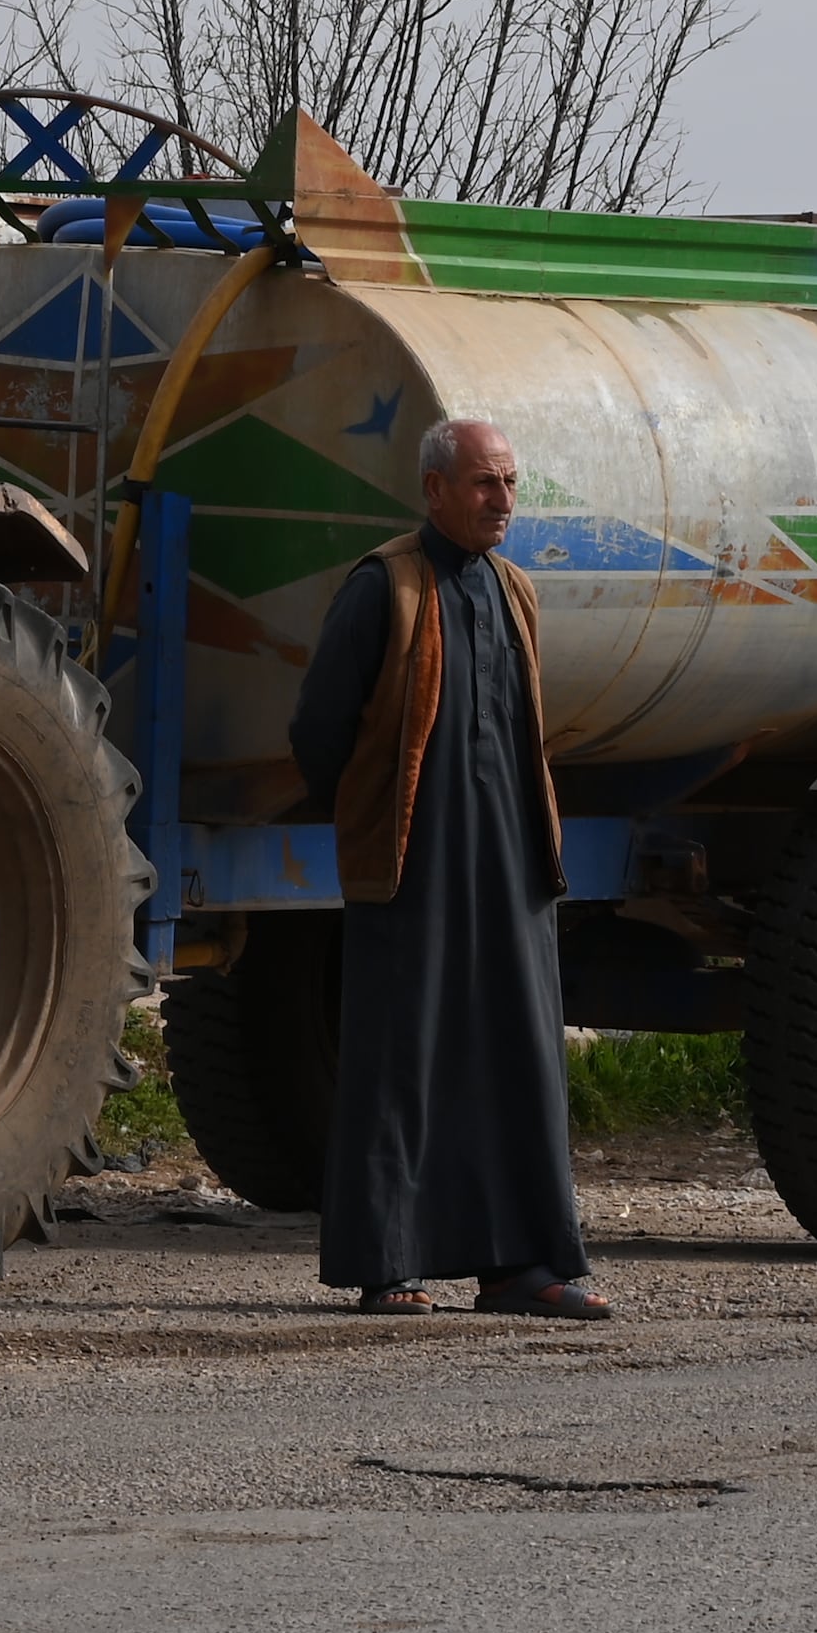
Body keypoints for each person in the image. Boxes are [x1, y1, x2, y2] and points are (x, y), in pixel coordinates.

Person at [286, 413, 600, 1320]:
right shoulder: (384, 588)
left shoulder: (514, 591)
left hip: (511, 864)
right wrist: (370, 813)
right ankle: (388, 1267)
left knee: (517, 1056)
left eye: (509, 482)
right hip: (412, 865)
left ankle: (521, 1268)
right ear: (434, 488)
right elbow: (319, 730)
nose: (502, 500)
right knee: (402, 1057)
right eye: (482, 483)